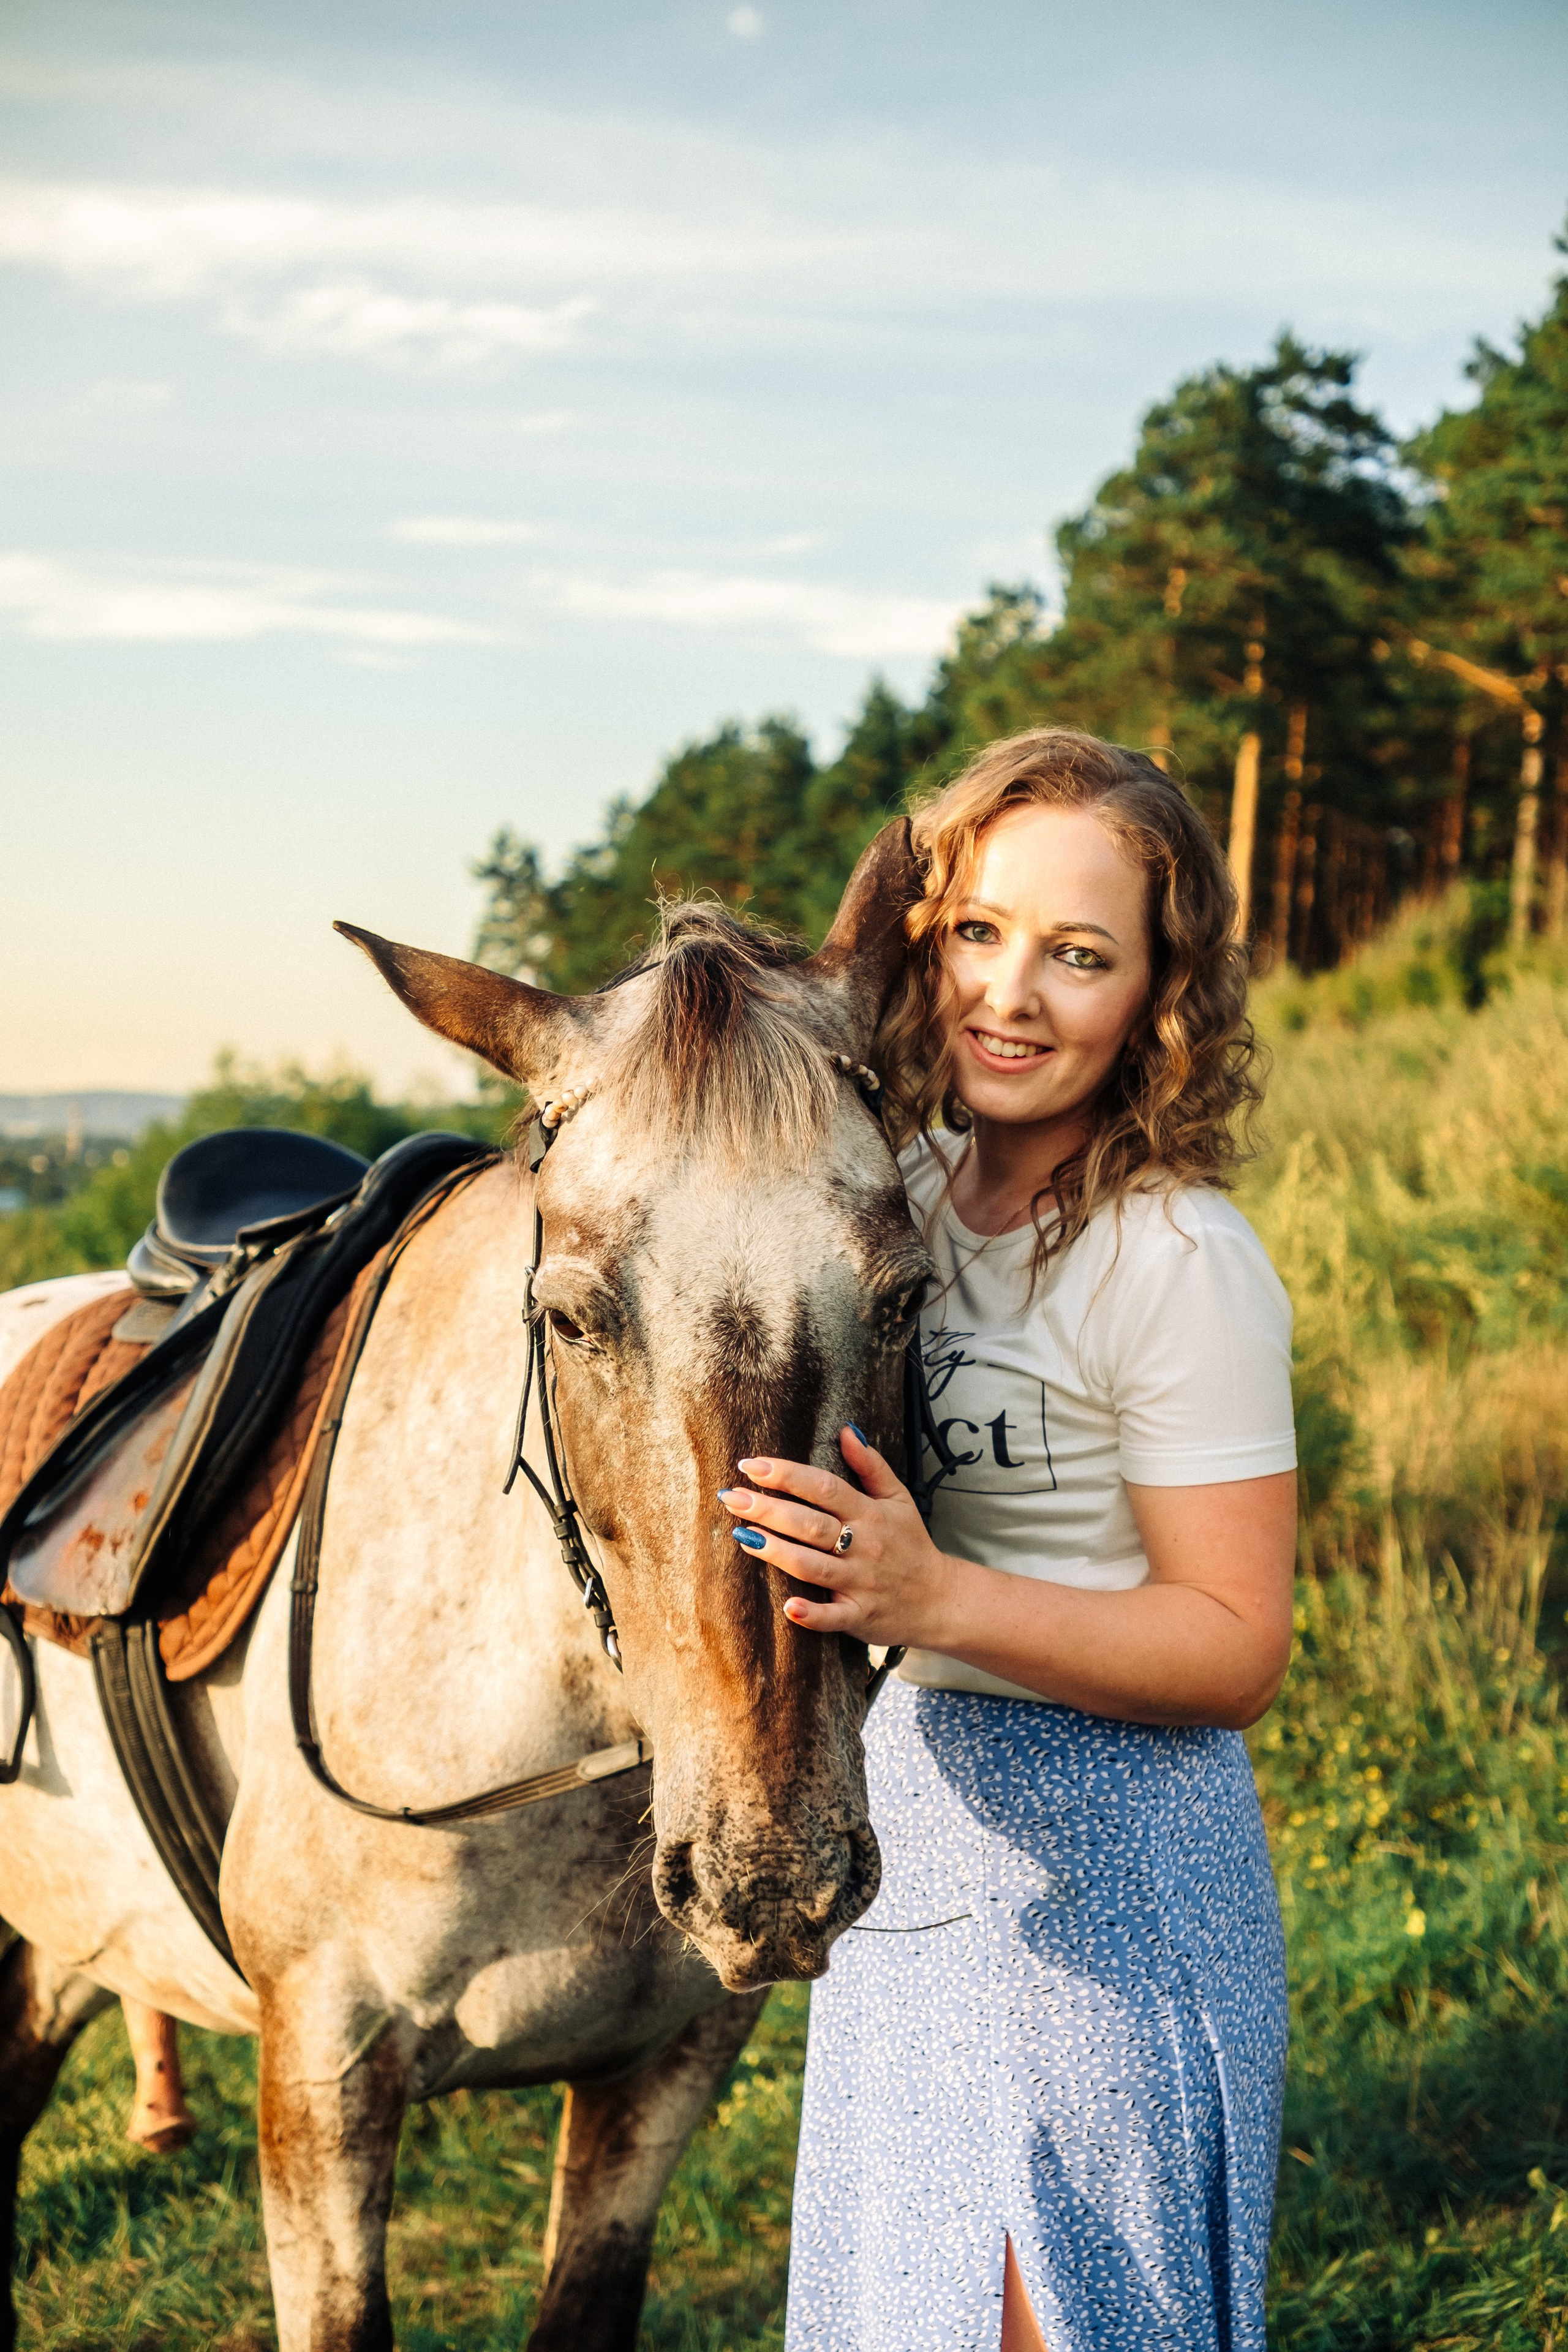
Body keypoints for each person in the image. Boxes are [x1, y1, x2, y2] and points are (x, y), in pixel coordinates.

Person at [718, 729, 1297, 2352]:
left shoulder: (1178, 1256)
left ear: (1158, 995)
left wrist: (932, 1594)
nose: (1013, 996)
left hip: (1120, 1877)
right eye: (980, 932)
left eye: (1080, 955)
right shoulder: (889, 1199)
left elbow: (1239, 1642)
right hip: (910, 1842)